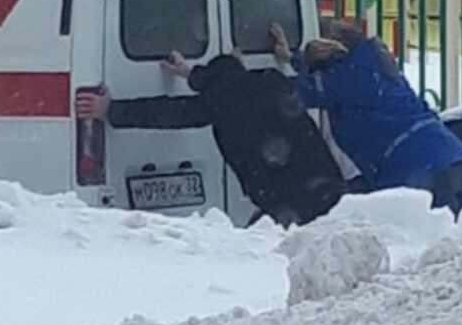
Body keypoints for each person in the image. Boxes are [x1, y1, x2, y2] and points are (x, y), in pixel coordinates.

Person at [75, 50, 344, 228]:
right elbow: (224, 83)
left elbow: (167, 112)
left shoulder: (218, 102)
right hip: (324, 181)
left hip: (286, 197)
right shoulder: (271, 80)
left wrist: (111, 109)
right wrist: (191, 74)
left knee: (269, 250)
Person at [271, 20, 462, 216]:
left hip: (420, 170)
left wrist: (241, 73)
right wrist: (291, 58)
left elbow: (297, 92)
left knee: (429, 243)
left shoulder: (345, 80)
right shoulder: (374, 68)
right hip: (454, 159)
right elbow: (325, 78)